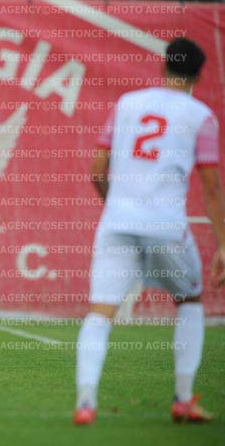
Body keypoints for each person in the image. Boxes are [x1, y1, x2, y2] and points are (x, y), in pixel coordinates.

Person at [74, 38, 225, 425]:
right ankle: (183, 399)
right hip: (165, 225)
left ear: (163, 66)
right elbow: (211, 188)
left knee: (100, 311)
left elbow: (96, 170)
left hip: (117, 223)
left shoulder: (127, 104)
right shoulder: (202, 117)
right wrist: (223, 245)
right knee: (189, 301)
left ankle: (85, 403)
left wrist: (114, 207)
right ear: (199, 75)